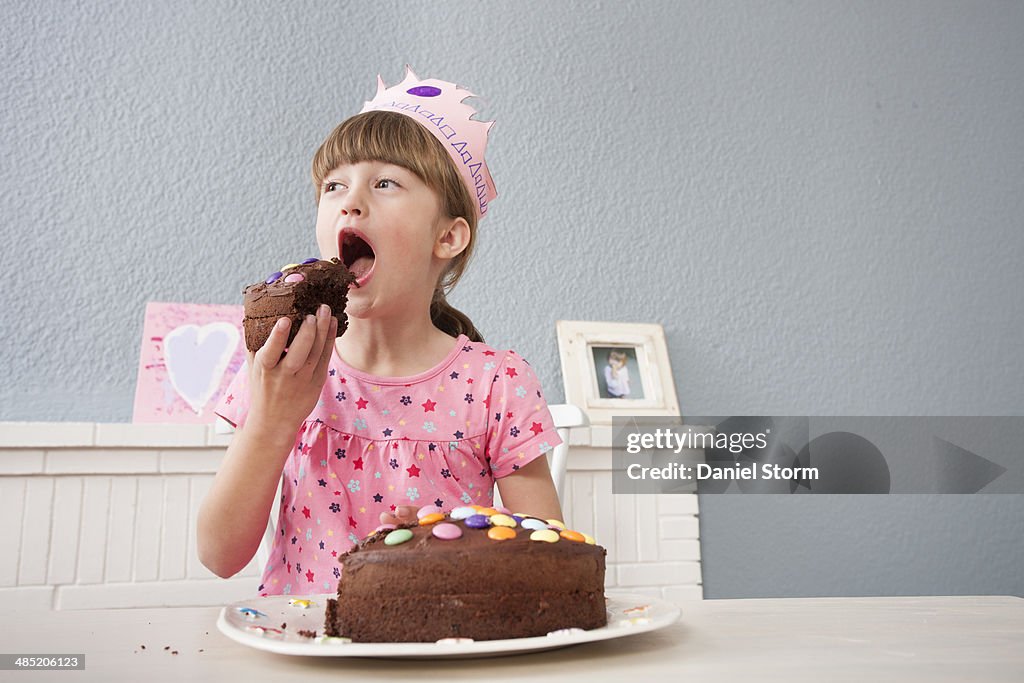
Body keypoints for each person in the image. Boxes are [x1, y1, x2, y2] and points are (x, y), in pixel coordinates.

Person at [197, 68, 563, 596]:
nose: (350, 200)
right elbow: (219, 555)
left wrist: (459, 540)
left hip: (445, 651)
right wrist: (272, 421)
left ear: (448, 236)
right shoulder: (280, 364)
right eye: (333, 186)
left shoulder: (497, 384)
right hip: (309, 650)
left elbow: (548, 561)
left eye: (385, 182)